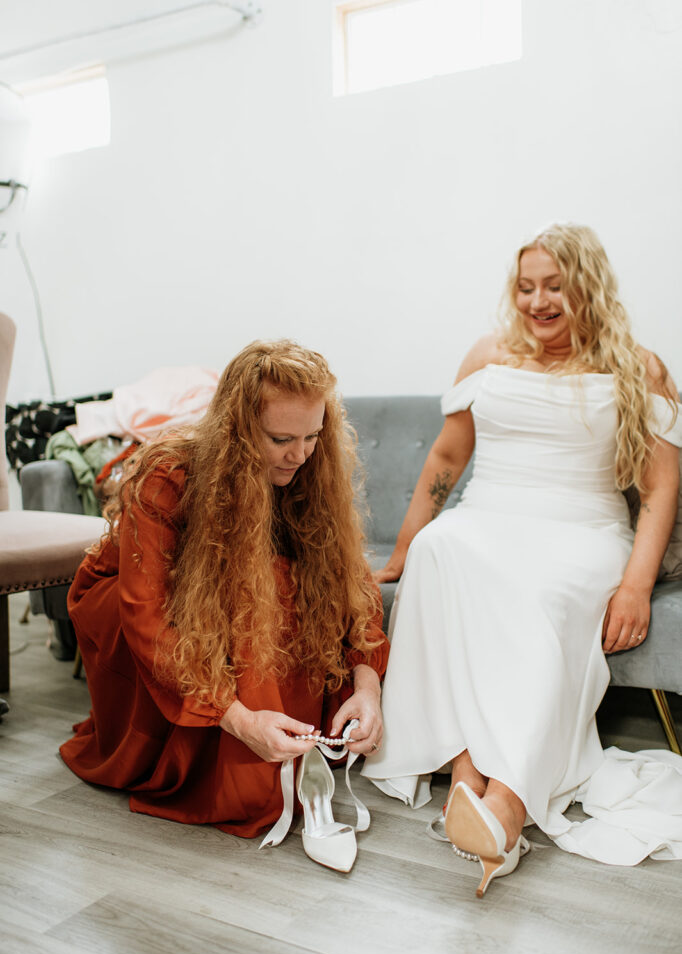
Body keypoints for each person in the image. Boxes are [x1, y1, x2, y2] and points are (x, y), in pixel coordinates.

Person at [362, 223, 682, 895]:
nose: (538, 301)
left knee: (543, 591)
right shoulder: (488, 354)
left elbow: (658, 490)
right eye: (526, 286)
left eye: (555, 287)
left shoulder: (637, 366)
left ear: (587, 286)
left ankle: (504, 804)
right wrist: (402, 550)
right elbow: (448, 459)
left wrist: (635, 585)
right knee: (440, 548)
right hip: (488, 516)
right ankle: (465, 774)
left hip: (583, 529)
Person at [61, 340, 389, 862]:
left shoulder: (310, 467)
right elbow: (147, 615)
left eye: (312, 436)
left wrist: (366, 685)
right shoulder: (166, 479)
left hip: (220, 610)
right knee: (255, 590)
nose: (299, 455)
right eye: (281, 439)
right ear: (238, 429)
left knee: (282, 581)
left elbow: (353, 584)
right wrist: (237, 718)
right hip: (134, 608)